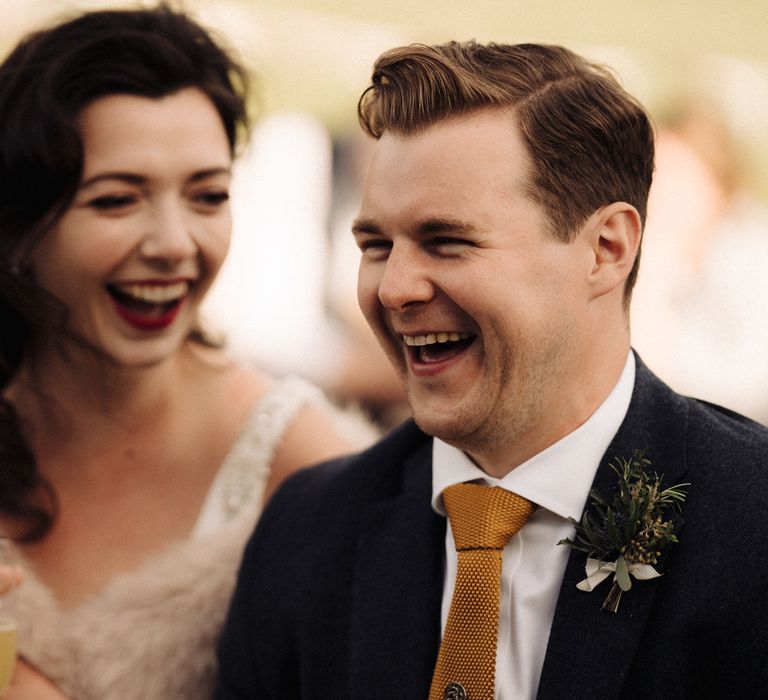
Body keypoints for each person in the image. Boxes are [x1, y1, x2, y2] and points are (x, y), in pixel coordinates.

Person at [216, 41, 768, 699]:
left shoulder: (751, 521)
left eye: (447, 241)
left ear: (605, 249)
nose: (393, 289)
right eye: (376, 245)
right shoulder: (307, 536)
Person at [0, 6, 371, 699]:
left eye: (207, 196)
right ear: (20, 229)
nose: (175, 243)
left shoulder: (305, 469)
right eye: (116, 200)